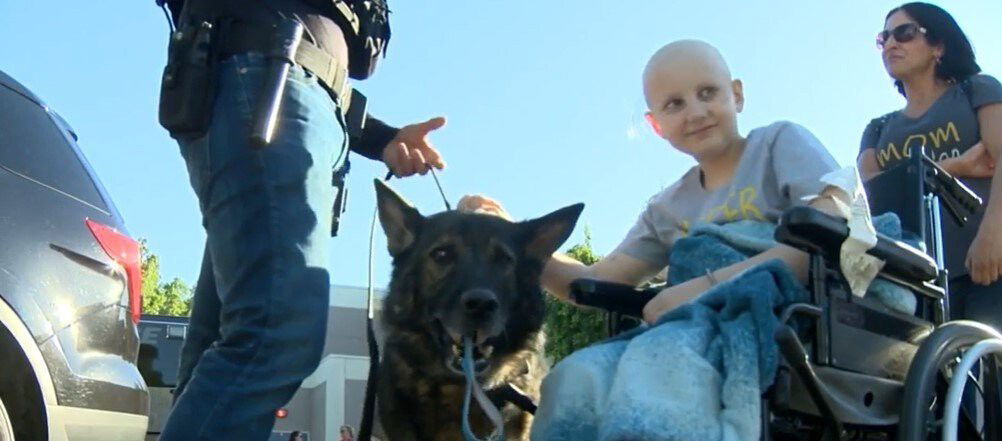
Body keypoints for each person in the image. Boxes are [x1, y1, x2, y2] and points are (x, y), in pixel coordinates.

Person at [156, 1, 447, 440]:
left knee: (228, 341)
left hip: (298, 98)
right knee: (276, 331)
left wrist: (383, 140)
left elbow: (322, 55)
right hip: (267, 84)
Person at [460, 39, 841, 324]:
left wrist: (700, 289)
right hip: (694, 327)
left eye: (707, 92)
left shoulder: (780, 144)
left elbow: (829, 233)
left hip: (788, 320)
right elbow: (595, 281)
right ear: (656, 125)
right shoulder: (667, 208)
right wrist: (515, 239)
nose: (695, 112)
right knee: (578, 379)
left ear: (737, 95)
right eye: (674, 104)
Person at [857, 2, 1002, 328]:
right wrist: (952, 166)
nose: (891, 44)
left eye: (904, 33)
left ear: (938, 46)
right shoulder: (878, 129)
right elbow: (869, 191)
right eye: (884, 38)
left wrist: (993, 234)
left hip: (988, 263)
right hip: (916, 281)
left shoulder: (976, 90)